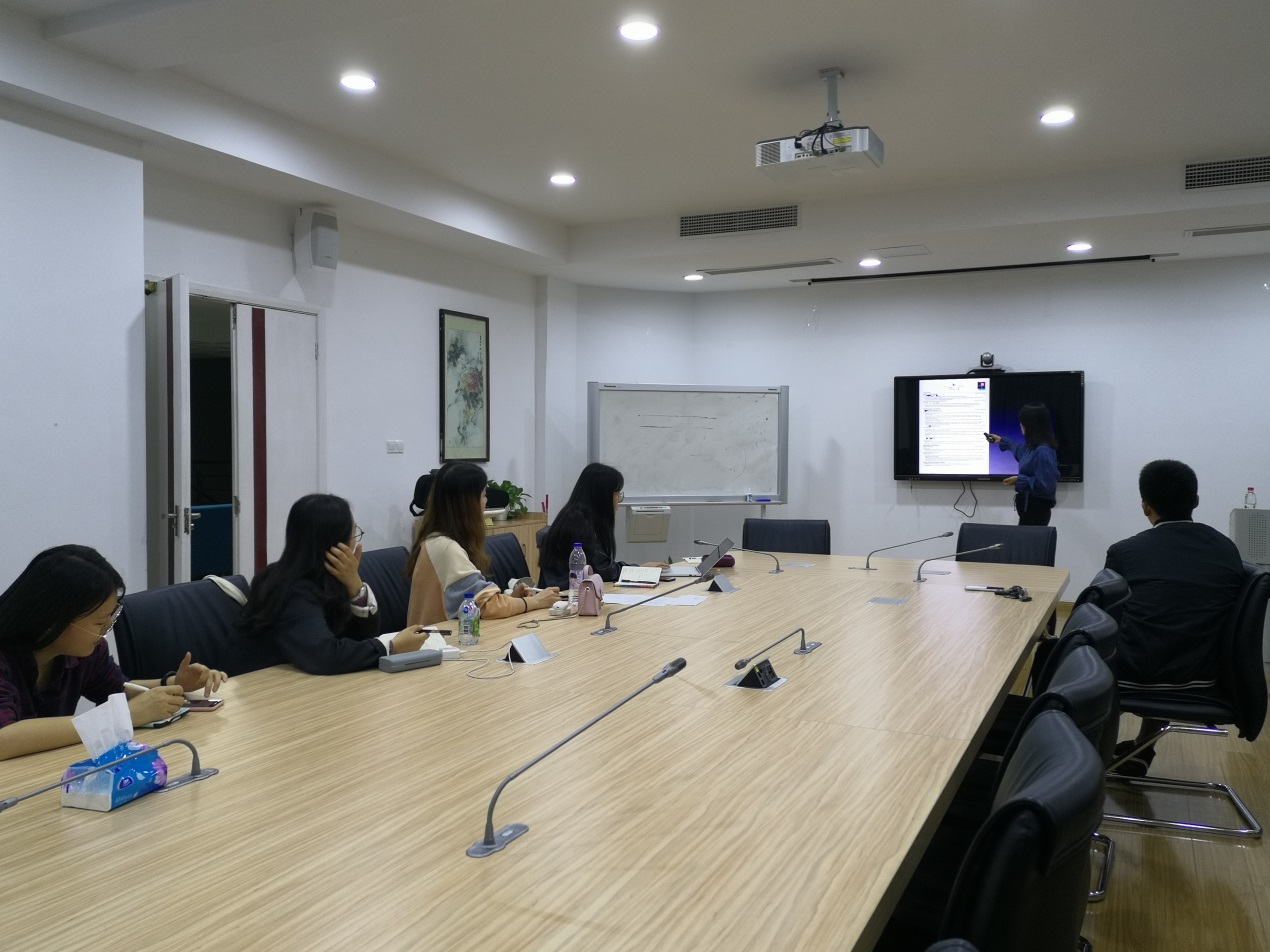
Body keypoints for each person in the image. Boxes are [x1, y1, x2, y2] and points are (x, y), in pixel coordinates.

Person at [0, 545, 228, 761]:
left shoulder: (83, 652)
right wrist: (122, 717)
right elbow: (4, 738)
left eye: (111, 618)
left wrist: (173, 683)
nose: (106, 630)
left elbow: (117, 688)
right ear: (52, 619)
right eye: (99, 623)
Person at [1105, 459, 1245, 776]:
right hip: (1207, 680)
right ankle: (1142, 748)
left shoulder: (1125, 552)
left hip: (1135, 679)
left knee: (1075, 652)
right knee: (1172, 637)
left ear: (1145, 507)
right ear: (1195, 500)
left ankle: (1086, 758)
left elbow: (1104, 621)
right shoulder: (1226, 549)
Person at [240, 494, 430, 674]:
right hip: (267, 686)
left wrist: (356, 587)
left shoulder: (328, 577)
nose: (354, 544)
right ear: (334, 544)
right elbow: (325, 656)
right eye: (353, 535)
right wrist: (391, 647)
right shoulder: (291, 588)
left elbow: (365, 634)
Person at [406, 462, 560, 626]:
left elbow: (476, 604)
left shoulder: (435, 540)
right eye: (483, 495)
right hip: (440, 639)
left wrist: (511, 599)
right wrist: (536, 601)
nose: (486, 501)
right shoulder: (445, 548)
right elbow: (488, 606)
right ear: (468, 504)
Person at [538, 463, 667, 588]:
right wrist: (640, 570)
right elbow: (603, 569)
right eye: (617, 494)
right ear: (602, 496)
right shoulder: (578, 524)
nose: (618, 501)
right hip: (567, 596)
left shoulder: (575, 515)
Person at [987, 402, 1059, 526]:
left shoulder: (1043, 452)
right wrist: (1002, 441)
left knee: (1028, 539)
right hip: (1028, 512)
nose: (1020, 425)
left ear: (1031, 426)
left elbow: (1047, 485)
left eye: (1023, 422)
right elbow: (1022, 451)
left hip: (1036, 513)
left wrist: (1019, 480)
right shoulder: (1034, 448)